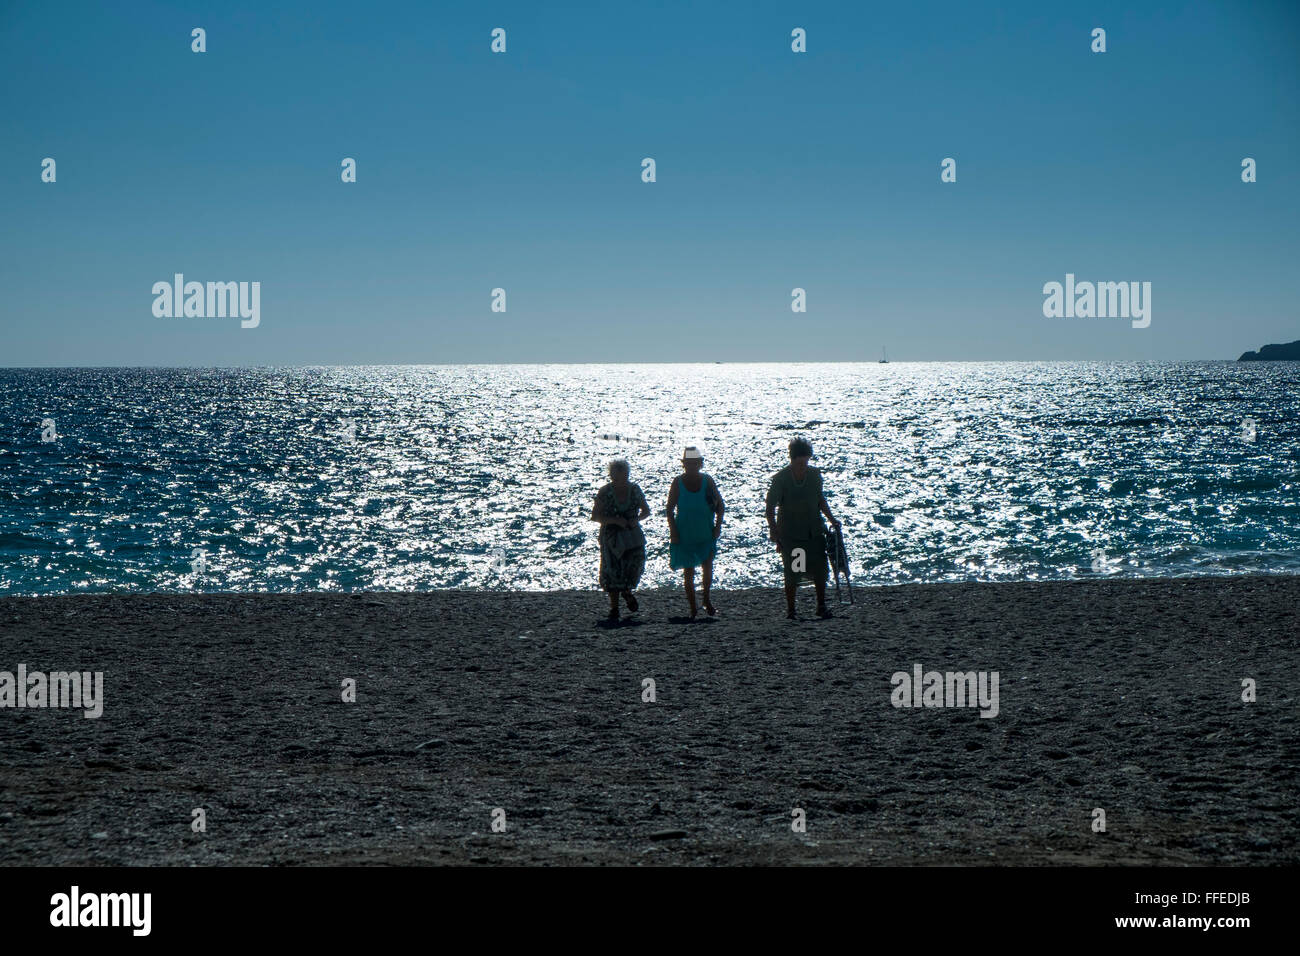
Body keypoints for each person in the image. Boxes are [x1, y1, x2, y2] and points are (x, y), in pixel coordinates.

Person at [765, 437, 841, 620]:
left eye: (806, 462)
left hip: (814, 531)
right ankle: (792, 610)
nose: (803, 466)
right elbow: (770, 507)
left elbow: (821, 500)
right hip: (792, 535)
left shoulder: (815, 475)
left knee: (820, 568)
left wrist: (832, 519)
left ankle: (821, 606)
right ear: (792, 459)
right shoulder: (781, 479)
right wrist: (774, 531)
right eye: (800, 462)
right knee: (794, 571)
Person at [665, 445, 725, 618]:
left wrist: (718, 527)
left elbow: (720, 506)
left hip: (705, 532)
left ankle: (706, 599)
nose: (691, 467)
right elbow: (669, 509)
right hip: (684, 534)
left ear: (700, 464)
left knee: (707, 568)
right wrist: (673, 532)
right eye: (688, 463)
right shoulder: (678, 482)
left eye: (695, 463)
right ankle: (693, 608)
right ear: (684, 465)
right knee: (688, 572)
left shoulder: (707, 481)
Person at [591, 459, 651, 620]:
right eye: (616, 477)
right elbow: (595, 516)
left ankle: (627, 591)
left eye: (623, 476)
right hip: (611, 537)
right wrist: (615, 520)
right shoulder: (604, 492)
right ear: (611, 477)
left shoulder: (635, 490)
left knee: (635, 565)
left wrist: (635, 520)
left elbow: (646, 511)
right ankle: (614, 608)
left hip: (632, 535)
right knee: (612, 571)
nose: (620, 480)